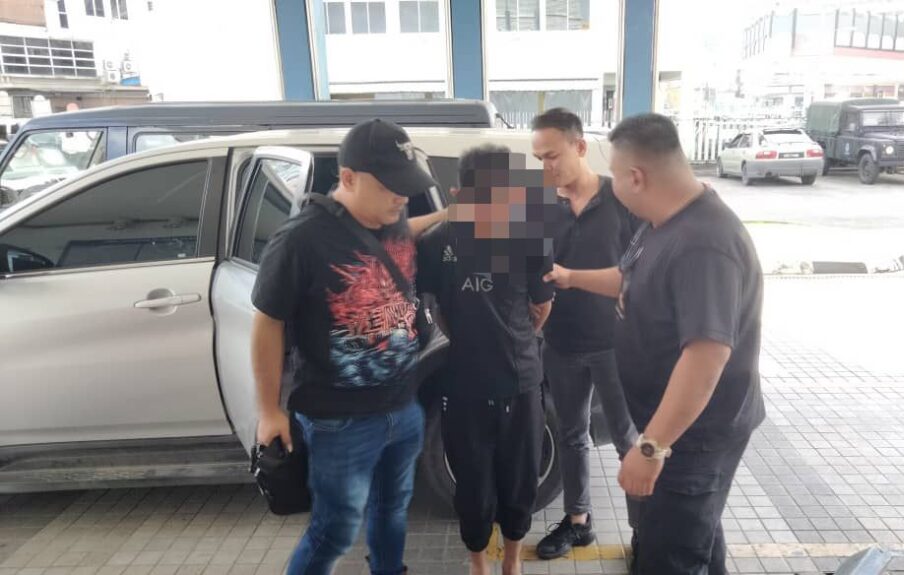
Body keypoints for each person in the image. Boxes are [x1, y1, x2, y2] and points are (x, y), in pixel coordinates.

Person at [544, 114, 765, 575]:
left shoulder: (704, 243)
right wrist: (571, 277)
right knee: (698, 537)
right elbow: (630, 280)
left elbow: (706, 357)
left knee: (671, 557)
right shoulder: (661, 223)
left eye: (614, 175)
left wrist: (651, 448)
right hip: (674, 434)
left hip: (692, 441)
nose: (610, 185)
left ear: (636, 177)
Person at [251, 118, 445, 575]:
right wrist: (268, 411)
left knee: (392, 508)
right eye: (391, 187)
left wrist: (448, 216)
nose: (402, 197)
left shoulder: (390, 218)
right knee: (335, 529)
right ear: (349, 178)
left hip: (403, 406)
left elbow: (405, 232)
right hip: (339, 421)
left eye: (406, 186)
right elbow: (266, 323)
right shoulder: (300, 240)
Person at [417, 145, 554, 575]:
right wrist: (479, 337)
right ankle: (478, 564)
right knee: (472, 485)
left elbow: (542, 305)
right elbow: (439, 308)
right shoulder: (437, 242)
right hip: (465, 387)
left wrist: (513, 339)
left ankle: (511, 562)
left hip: (521, 382)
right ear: (460, 193)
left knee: (520, 481)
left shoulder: (529, 239)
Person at [529, 108, 641, 560]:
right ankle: (578, 522)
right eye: (539, 158)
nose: (546, 166)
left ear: (579, 146)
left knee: (629, 442)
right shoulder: (540, 209)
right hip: (561, 344)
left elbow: (646, 269)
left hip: (616, 345)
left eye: (552, 155)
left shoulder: (622, 199)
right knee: (572, 435)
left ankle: (643, 530)